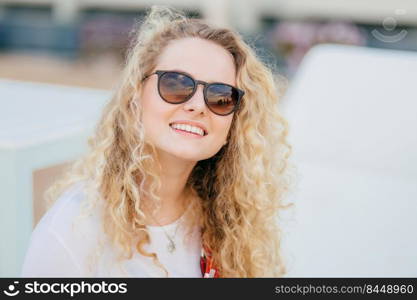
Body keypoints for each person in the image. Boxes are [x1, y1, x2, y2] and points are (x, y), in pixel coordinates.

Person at [21, 5, 293, 278]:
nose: (198, 106)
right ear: (136, 98)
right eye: (176, 84)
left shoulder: (231, 225)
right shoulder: (73, 231)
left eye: (220, 97)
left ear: (233, 127)